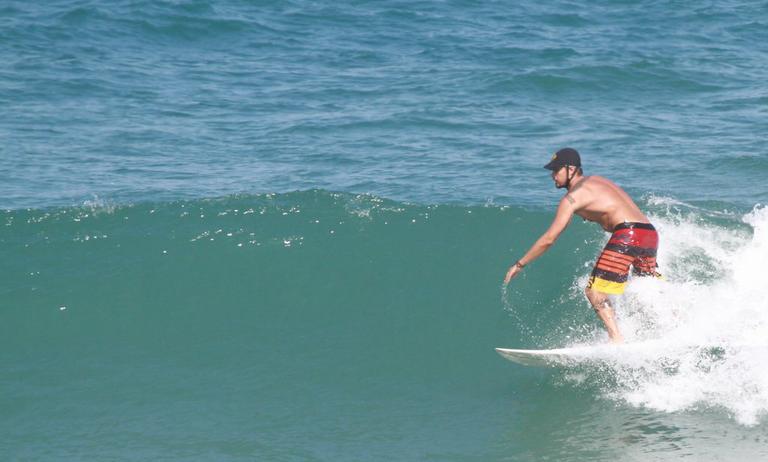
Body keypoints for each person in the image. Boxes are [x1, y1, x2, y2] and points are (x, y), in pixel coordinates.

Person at [503, 148, 661, 343]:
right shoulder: (598, 181)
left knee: (593, 290)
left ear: (571, 169)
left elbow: (550, 238)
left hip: (628, 233)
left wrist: (520, 264)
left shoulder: (572, 198)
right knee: (645, 286)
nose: (553, 176)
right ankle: (671, 324)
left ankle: (616, 339)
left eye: (556, 170)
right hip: (649, 234)